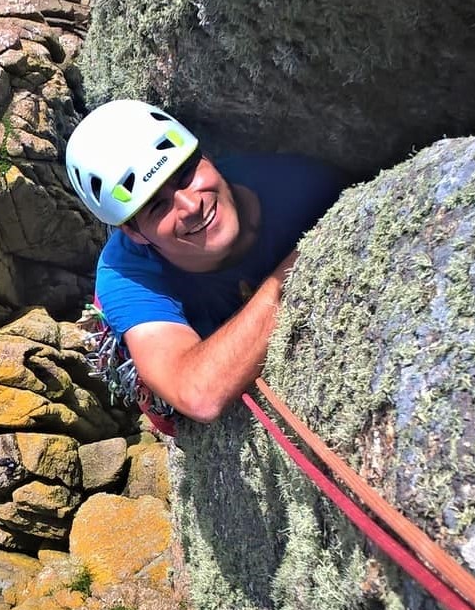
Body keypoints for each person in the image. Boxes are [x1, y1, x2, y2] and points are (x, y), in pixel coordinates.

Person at [66, 100, 343, 429]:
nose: (190, 205)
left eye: (185, 175)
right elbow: (199, 394)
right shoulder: (126, 276)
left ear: (207, 156)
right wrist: (296, 269)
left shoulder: (297, 183)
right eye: (157, 206)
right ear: (134, 233)